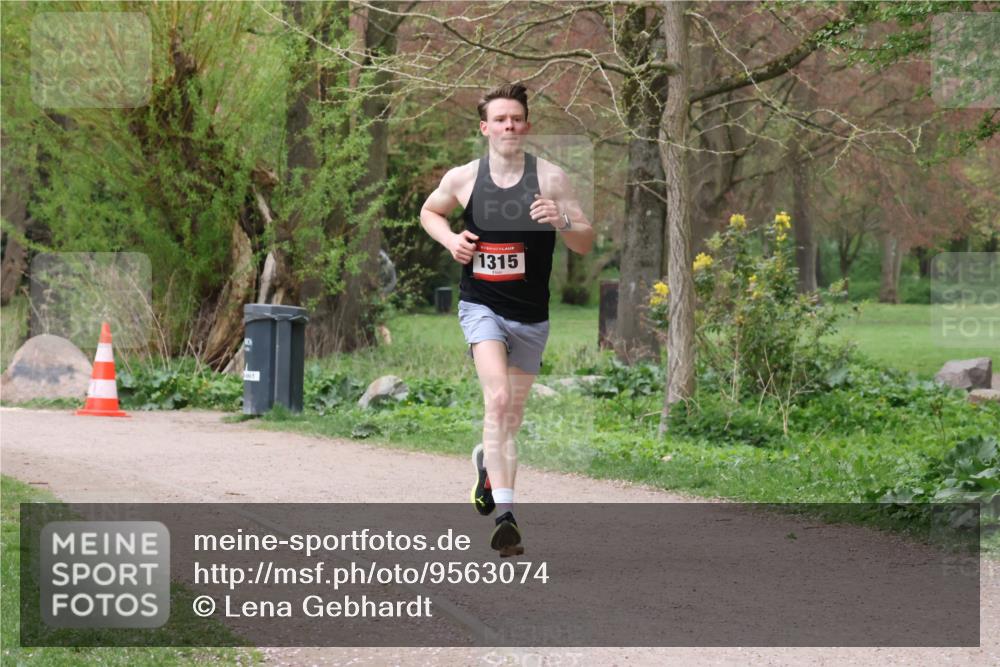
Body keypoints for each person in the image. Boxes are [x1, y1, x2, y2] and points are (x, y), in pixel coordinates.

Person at [419, 83, 595, 556]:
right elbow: (429, 211)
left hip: (532, 317)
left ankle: (486, 464)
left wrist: (560, 219)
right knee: (497, 399)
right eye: (500, 119)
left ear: (527, 126)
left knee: (507, 419)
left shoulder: (552, 179)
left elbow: (584, 241)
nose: (509, 126)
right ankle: (507, 517)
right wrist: (450, 240)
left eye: (516, 119)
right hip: (482, 307)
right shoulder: (465, 177)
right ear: (486, 128)